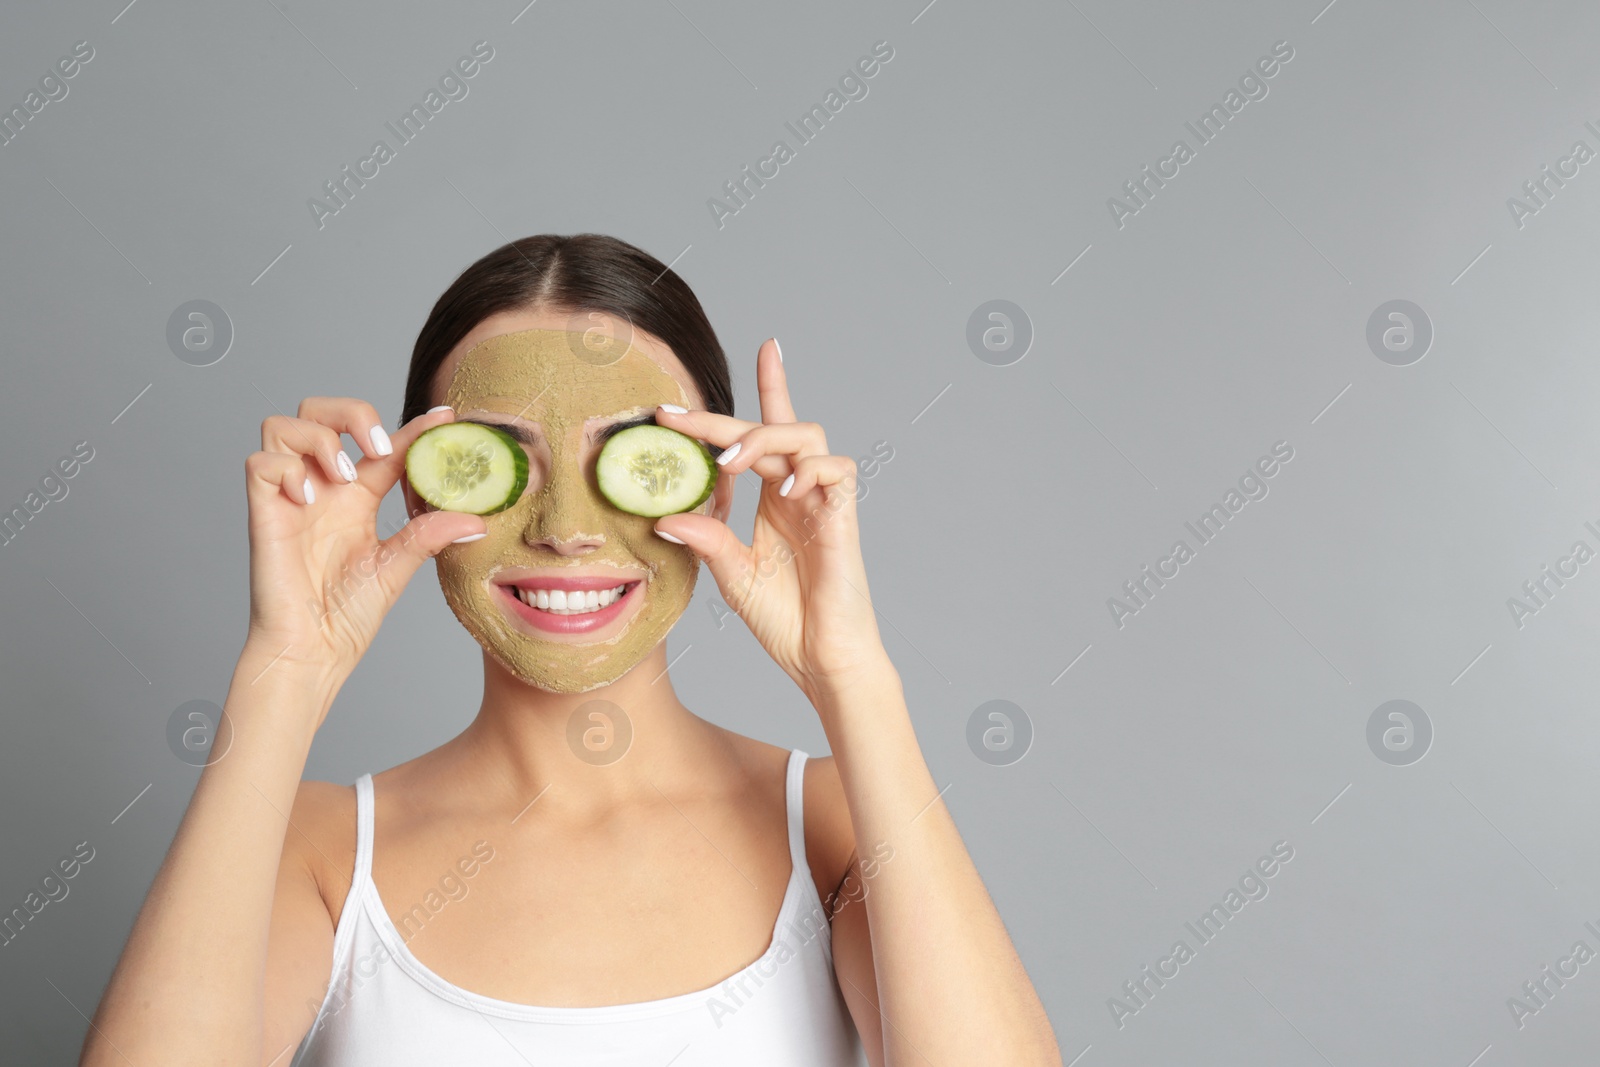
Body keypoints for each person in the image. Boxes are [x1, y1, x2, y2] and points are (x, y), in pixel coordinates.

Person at [80, 234, 1061, 1066]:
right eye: (499, 459)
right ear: (421, 495)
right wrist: (283, 672)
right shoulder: (316, 849)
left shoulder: (838, 828)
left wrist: (852, 675)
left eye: (629, 463)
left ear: (719, 491)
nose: (564, 528)